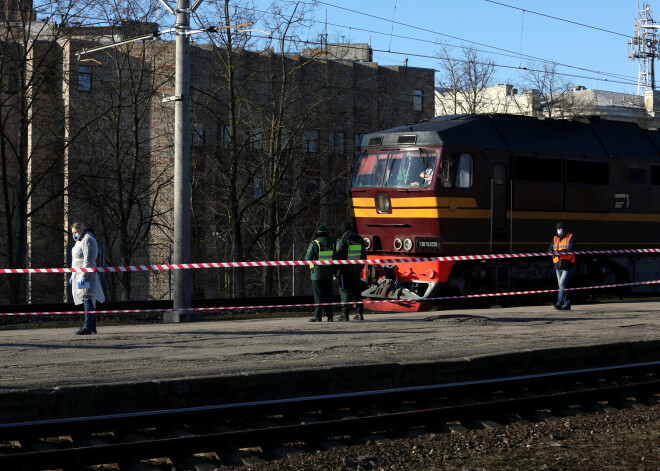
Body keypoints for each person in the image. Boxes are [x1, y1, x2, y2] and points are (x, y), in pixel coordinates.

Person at [70, 222, 105, 334]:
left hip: (85, 275)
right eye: (73, 233)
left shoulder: (87, 239)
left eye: (75, 232)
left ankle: (87, 326)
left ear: (80, 230)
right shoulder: (81, 240)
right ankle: (91, 326)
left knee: (87, 298)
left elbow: (88, 260)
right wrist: (73, 275)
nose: (74, 235)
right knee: (86, 298)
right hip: (79, 274)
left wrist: (83, 276)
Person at [335, 221, 367, 321]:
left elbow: (338, 254)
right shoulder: (360, 239)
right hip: (356, 269)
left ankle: (345, 314)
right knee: (356, 290)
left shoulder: (343, 239)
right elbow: (364, 255)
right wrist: (360, 267)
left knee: (344, 290)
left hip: (345, 269)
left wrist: (337, 269)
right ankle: (359, 313)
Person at [305, 225, 335, 322]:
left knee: (318, 295)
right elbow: (336, 257)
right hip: (329, 273)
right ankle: (330, 315)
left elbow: (307, 258)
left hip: (317, 274)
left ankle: (318, 316)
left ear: (318, 233)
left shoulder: (315, 243)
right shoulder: (332, 242)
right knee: (329, 295)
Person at [549, 221, 576, 311]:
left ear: (564, 230)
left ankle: (559, 303)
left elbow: (571, 249)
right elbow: (550, 248)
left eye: (560, 229)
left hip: (567, 264)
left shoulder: (571, 237)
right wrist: (552, 253)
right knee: (561, 285)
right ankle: (567, 304)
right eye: (557, 229)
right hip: (557, 264)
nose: (559, 231)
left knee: (562, 284)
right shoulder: (555, 238)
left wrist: (559, 252)